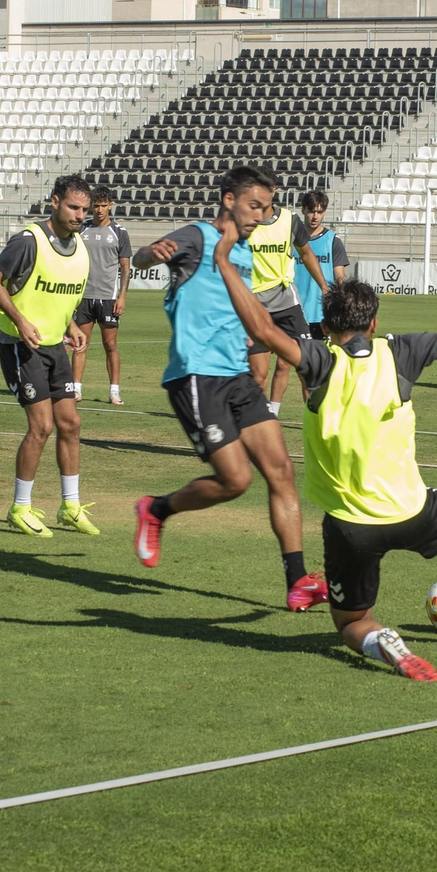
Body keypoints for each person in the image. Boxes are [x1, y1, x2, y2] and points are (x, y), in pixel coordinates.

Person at [215, 221, 437, 680]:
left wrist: (225, 264)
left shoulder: (318, 362)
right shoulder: (401, 353)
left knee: (350, 623)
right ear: (374, 322)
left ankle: (381, 638)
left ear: (326, 326)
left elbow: (263, 329)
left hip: (350, 526)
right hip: (413, 512)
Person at [130, 165, 327, 612]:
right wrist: (150, 254)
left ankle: (297, 581)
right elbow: (145, 256)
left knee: (281, 471)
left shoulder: (242, 253)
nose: (261, 214)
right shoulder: (198, 237)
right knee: (235, 481)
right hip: (196, 376)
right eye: (254, 205)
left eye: (267, 207)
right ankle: (157, 510)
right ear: (228, 200)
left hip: (236, 374)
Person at [0, 176, 98, 539]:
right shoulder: (28, 241)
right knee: (42, 427)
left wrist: (71, 325)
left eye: (85, 210)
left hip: (54, 346)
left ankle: (70, 506)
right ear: (54, 203)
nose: (80, 215)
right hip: (21, 346)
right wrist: (20, 320)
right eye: (73, 207)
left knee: (71, 423)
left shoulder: (80, 247)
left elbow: (61, 296)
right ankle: (19, 507)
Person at [244, 185, 328, 416]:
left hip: (287, 304)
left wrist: (323, 285)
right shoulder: (243, 222)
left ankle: (317, 421)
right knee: (258, 375)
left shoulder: (289, 220)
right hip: (255, 307)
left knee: (307, 368)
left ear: (273, 190)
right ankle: (258, 426)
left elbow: (306, 253)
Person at [70, 183, 131, 406]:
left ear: (111, 206)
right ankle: (75, 389)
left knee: (110, 345)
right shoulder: (81, 230)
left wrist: (122, 296)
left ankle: (114, 391)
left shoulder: (119, 233)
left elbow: (125, 267)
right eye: (96, 205)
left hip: (108, 298)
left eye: (104, 205)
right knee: (79, 344)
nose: (99, 210)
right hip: (83, 297)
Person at [296, 189, 348, 341]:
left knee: (324, 362)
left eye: (320, 212)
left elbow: (340, 277)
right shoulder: (291, 240)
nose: (315, 216)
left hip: (322, 315)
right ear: (303, 209)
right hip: (296, 313)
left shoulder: (332, 241)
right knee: (286, 364)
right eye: (312, 211)